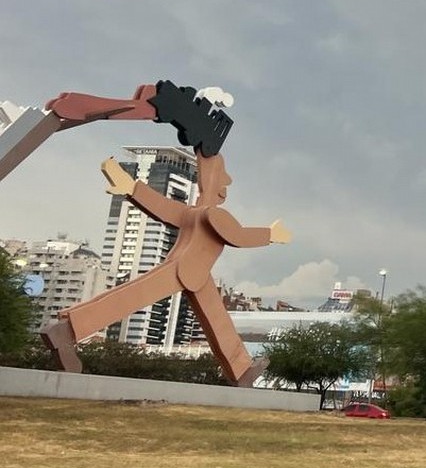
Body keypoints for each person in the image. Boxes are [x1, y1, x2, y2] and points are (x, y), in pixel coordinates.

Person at [39, 151, 290, 386]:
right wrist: (270, 234)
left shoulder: (191, 212)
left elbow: (162, 207)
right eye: (224, 179)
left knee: (217, 321)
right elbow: (239, 236)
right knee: (126, 299)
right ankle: (67, 330)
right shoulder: (215, 216)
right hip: (185, 271)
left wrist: (130, 188)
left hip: (197, 275)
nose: (227, 184)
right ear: (216, 186)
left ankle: (241, 370)